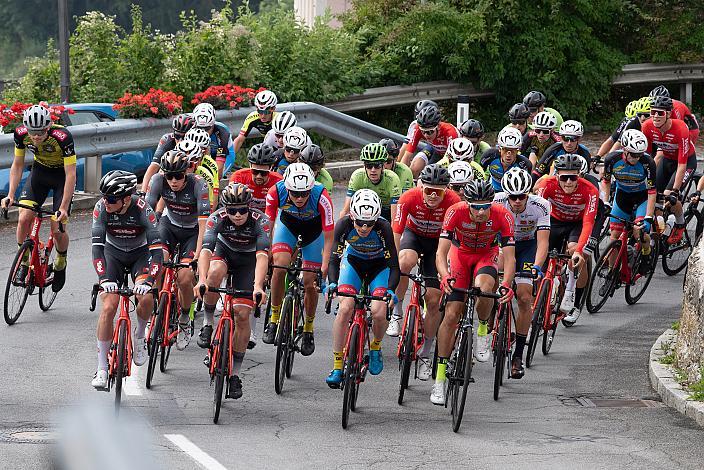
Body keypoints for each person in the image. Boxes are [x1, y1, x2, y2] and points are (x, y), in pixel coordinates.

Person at [431, 179, 516, 405]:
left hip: (487, 255)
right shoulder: (454, 212)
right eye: (475, 206)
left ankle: (482, 328)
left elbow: (509, 256)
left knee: (485, 287)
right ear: (467, 204)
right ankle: (439, 379)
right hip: (460, 255)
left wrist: (506, 283)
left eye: (485, 206)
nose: (480, 211)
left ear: (491, 203)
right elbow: (441, 252)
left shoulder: (502, 215)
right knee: (451, 314)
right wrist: (444, 275)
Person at [194, 183, 269, 399]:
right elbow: (206, 251)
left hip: (249, 262)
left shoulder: (260, 221)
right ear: (225, 209)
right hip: (224, 253)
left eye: (242, 210)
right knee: (214, 273)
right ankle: (208, 324)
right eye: (232, 210)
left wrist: (257, 286)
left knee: (243, 315)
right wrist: (202, 281)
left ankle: (235, 375)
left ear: (249, 207)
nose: (237, 215)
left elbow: (262, 257)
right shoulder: (216, 218)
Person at [90, 171, 162, 389]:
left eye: (111, 199)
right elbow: (97, 250)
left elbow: (157, 254)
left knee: (147, 298)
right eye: (104, 197)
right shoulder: (101, 208)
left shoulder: (144, 210)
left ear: (126, 199)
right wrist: (103, 279)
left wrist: (148, 281)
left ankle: (140, 337)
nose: (106, 202)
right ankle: (102, 368)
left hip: (140, 255)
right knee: (109, 306)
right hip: (113, 255)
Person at [390, 164, 460, 380]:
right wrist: (393, 262)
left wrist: (447, 269)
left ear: (446, 189)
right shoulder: (409, 198)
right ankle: (397, 309)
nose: (431, 195)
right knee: (404, 262)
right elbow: (396, 233)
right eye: (427, 190)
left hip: (438, 245)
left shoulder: (454, 202)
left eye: (437, 192)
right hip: (414, 236)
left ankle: (426, 353)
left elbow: (456, 243)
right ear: (421, 187)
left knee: (433, 299)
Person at [325, 190, 399, 386]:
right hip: (354, 263)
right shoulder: (344, 224)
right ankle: (337, 365)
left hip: (379, 267)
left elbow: (393, 265)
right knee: (345, 309)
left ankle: (375, 347)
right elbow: (334, 258)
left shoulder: (383, 227)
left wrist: (391, 290)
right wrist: (332, 282)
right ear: (352, 216)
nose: (364, 228)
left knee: (378, 311)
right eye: (359, 223)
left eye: (369, 224)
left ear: (376, 219)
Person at [262, 163, 335, 355]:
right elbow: (267, 228)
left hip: (314, 232)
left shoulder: (322, 196)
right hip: (288, 226)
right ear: (287, 188)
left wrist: (325, 266)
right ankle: (274, 318)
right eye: (295, 194)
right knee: (279, 267)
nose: (300, 198)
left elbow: (329, 237)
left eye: (305, 193)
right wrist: (267, 255)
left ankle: (308, 329)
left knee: (310, 283)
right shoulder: (275, 191)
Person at [2, 105, 76, 293]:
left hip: (62, 177)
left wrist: (64, 207)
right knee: (24, 217)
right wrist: (11, 195)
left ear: (49, 125)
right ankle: (24, 264)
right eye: (32, 132)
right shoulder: (20, 134)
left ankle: (60, 262)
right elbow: (18, 165)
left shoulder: (62, 137)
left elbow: (71, 174)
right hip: (40, 174)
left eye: (40, 132)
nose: (35, 136)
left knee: (57, 228)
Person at [145, 150, 210, 350]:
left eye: (178, 176)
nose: (173, 181)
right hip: (169, 225)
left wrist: (198, 255)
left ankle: (183, 317)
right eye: (169, 176)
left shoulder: (199, 184)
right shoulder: (157, 180)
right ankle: (154, 307)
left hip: (192, 232)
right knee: (158, 260)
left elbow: (203, 226)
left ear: (186, 173)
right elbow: (146, 213)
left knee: (184, 277)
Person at [494, 168, 550, 378]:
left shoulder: (541, 206)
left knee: (525, 297)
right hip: (501, 244)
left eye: (521, 197)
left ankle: (518, 355)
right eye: (513, 197)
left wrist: (537, 266)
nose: (517, 201)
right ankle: (488, 323)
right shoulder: (496, 201)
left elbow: (543, 242)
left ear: (528, 194)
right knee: (490, 282)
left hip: (528, 247)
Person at [534, 154, 598, 326]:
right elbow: (538, 212)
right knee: (543, 253)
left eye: (573, 177)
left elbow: (588, 223)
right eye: (564, 177)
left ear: (579, 176)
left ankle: (574, 299)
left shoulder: (590, 190)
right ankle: (543, 292)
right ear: (557, 176)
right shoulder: (547, 185)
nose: (569, 182)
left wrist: (578, 251)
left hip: (577, 223)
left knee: (577, 253)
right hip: (554, 220)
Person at [640, 95, 697, 245]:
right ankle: (658, 234)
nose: (656, 116)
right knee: (655, 195)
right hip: (667, 160)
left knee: (668, 196)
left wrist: (675, 191)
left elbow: (682, 164)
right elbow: (647, 157)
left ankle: (680, 223)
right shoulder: (647, 126)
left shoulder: (680, 128)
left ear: (669, 114)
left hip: (685, 162)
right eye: (653, 112)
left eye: (660, 113)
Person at [601, 129, 657, 274]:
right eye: (633, 154)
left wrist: (649, 217)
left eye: (639, 154)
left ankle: (646, 254)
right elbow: (606, 181)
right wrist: (606, 202)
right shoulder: (612, 159)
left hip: (641, 198)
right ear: (624, 149)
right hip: (622, 197)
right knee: (614, 236)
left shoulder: (648, 162)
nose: (636, 158)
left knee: (640, 233)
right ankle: (612, 272)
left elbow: (652, 192)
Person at [341, 142, 402, 222]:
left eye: (377, 166)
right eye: (369, 166)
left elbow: (395, 219)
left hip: (387, 211)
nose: (373, 170)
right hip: (365, 210)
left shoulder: (392, 179)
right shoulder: (357, 176)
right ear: (364, 166)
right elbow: (345, 211)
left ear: (383, 166)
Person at [141, 113, 195, 191]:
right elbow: (154, 166)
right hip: (175, 178)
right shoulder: (167, 139)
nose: (180, 140)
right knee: (161, 173)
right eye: (177, 136)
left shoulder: (197, 141)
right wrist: (143, 191)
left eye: (184, 137)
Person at [400, 105, 458, 177]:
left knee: (434, 174)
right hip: (435, 150)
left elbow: (449, 159)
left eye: (429, 132)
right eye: (423, 131)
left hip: (451, 156)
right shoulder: (417, 128)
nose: (426, 135)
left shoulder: (450, 132)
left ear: (438, 127)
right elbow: (407, 155)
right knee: (415, 168)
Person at [230, 143, 282, 212]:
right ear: (250, 166)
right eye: (255, 171)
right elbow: (230, 206)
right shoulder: (239, 177)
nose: (259, 176)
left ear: (271, 167)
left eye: (264, 172)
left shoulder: (279, 182)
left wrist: (273, 195)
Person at [481, 127, 532, 191]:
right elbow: (480, 173)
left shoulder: (525, 164)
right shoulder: (489, 155)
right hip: (492, 190)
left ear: (518, 150)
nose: (508, 154)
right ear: (499, 148)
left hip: (513, 193)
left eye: (513, 150)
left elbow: (528, 187)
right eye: (505, 149)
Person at [192, 103, 235, 177]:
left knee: (216, 176)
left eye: (207, 128)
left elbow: (219, 168)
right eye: (199, 128)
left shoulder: (222, 133)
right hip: (202, 154)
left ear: (213, 124)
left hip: (223, 155)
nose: (203, 132)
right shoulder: (190, 130)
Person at [233, 90, 278, 155]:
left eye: (266, 112)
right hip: (267, 144)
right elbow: (240, 139)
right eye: (260, 111)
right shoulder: (252, 117)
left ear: (273, 109)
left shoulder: (279, 118)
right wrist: (229, 159)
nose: (262, 116)